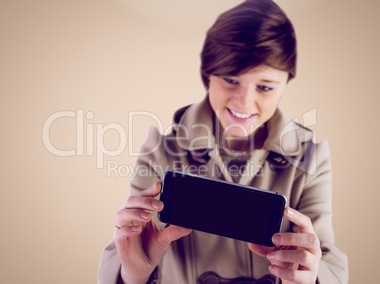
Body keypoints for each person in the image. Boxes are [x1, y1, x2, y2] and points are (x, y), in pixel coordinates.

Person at [98, 0, 348, 283]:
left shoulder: (310, 157)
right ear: (208, 75)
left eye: (264, 87)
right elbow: (128, 251)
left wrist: (311, 275)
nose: (244, 101)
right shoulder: (160, 151)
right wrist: (133, 272)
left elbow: (328, 259)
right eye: (230, 80)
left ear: (286, 83)